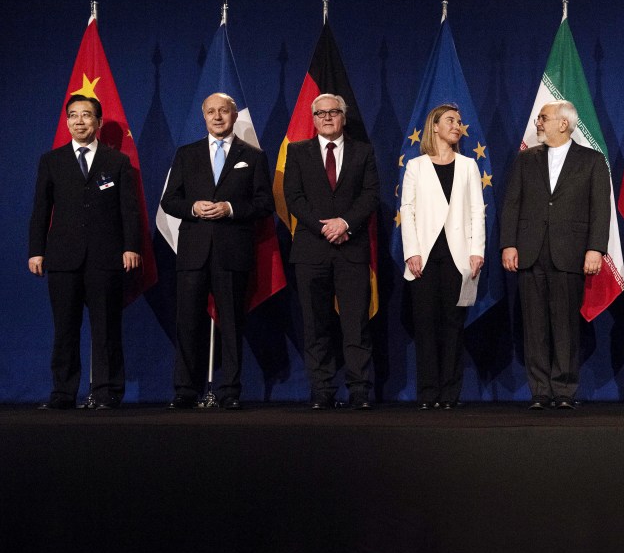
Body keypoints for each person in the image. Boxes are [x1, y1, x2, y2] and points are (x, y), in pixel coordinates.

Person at [160, 92, 274, 410]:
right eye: (211, 112)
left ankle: (230, 390)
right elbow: (170, 201)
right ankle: (185, 388)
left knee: (233, 323)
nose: (217, 116)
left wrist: (230, 208)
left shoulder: (252, 156)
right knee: (187, 322)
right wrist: (193, 207)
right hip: (194, 252)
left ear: (234, 115)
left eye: (223, 111)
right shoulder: (186, 154)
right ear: (204, 116)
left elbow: (266, 204)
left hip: (232, 251)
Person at [28, 94, 142, 410]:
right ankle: (63, 393)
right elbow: (40, 210)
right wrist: (36, 251)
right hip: (63, 258)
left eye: (86, 115)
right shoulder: (51, 160)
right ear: (66, 122)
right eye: (74, 116)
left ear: (99, 122)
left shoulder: (117, 161)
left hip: (106, 258)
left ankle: (106, 392)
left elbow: (129, 211)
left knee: (106, 328)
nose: (80, 121)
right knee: (65, 328)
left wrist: (131, 246)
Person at [500, 100, 610, 410]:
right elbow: (512, 204)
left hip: (570, 253)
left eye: (543, 118)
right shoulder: (526, 160)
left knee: (565, 326)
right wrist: (509, 243)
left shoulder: (591, 160)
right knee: (534, 326)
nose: (537, 122)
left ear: (563, 124)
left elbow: (600, 210)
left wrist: (595, 248)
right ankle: (540, 391)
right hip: (531, 252)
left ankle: (563, 390)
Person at [283, 94, 379, 410]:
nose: (327, 117)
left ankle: (360, 390)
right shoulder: (297, 152)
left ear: (343, 116)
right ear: (313, 119)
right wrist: (325, 226)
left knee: (355, 324)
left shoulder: (362, 152)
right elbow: (294, 198)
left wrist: (346, 223)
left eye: (333, 112)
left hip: (351, 249)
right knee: (316, 323)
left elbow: (370, 195)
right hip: (312, 250)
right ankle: (322, 389)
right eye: (320, 113)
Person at [400, 104, 486, 410]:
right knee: (425, 326)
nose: (457, 125)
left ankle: (450, 394)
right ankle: (428, 394)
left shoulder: (468, 166)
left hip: (458, 257)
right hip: (423, 257)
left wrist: (477, 251)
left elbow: (478, 210)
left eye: (459, 121)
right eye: (451, 120)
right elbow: (407, 210)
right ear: (434, 126)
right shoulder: (416, 166)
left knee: (453, 326)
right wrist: (412, 251)